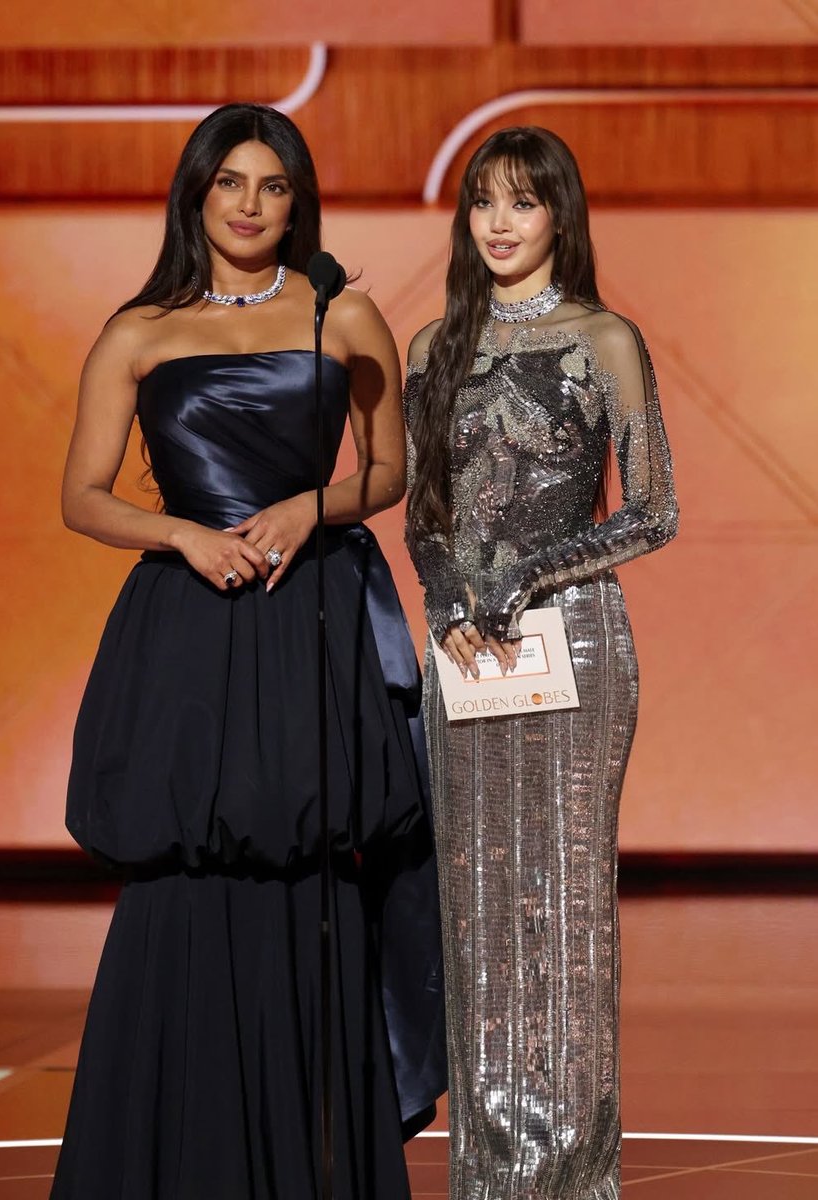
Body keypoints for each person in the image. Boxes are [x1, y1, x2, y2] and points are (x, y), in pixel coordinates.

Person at [51, 103, 445, 1200]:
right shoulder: (138, 329)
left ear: (297, 199)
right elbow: (82, 498)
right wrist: (181, 530)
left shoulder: (345, 313)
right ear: (196, 193)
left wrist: (306, 509)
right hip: (187, 618)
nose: (250, 205)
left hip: (305, 610)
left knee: (306, 858)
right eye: (230, 183)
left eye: (273, 186)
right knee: (185, 861)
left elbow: (389, 472)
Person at [404, 126, 678, 1199]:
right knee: (473, 909)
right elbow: (425, 511)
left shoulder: (605, 338)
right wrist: (447, 595)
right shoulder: (434, 346)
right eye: (482, 203)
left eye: (523, 202)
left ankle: (570, 1179)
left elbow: (656, 512)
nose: (501, 224)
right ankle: (486, 1176)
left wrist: (532, 577)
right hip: (465, 648)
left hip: (574, 645)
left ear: (561, 214)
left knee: (563, 911)